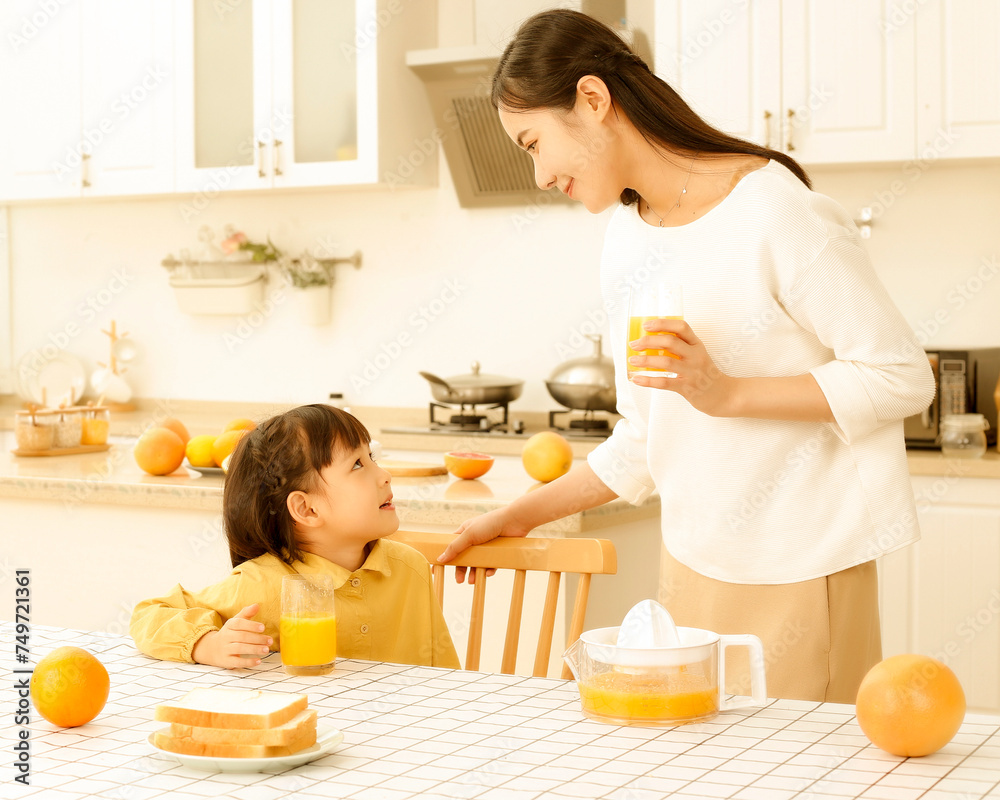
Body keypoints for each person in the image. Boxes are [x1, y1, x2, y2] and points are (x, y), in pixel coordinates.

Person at [439, 9, 934, 703]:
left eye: (533, 143)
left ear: (591, 99)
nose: (540, 174)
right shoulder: (627, 238)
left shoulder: (772, 211)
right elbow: (647, 439)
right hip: (692, 565)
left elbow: (902, 376)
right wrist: (522, 513)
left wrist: (726, 393)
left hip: (801, 561)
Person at [131, 404, 460, 670]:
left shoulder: (411, 569)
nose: (384, 475)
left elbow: (447, 681)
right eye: (357, 465)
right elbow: (149, 614)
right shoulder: (261, 585)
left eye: (371, 458)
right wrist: (209, 645)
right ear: (307, 509)